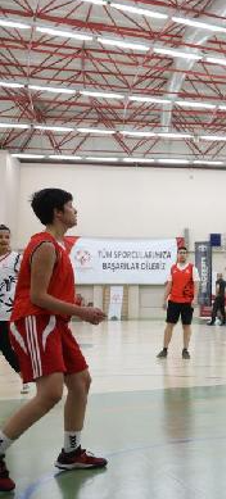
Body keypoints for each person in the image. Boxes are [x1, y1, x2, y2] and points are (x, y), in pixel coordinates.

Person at [0, 189, 108, 492]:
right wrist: (81, 311)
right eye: (71, 206)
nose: (76, 211)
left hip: (54, 323)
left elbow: (50, 291)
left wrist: (73, 300)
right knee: (50, 394)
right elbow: (37, 297)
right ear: (58, 213)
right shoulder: (44, 246)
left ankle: (71, 452)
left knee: (81, 382)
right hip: (34, 321)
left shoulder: (58, 246)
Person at [157, 246, 199, 360]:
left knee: (186, 326)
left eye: (184, 252)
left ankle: (185, 350)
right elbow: (169, 285)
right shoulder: (173, 268)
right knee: (169, 325)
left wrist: (195, 298)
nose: (182, 254)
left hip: (187, 302)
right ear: (177, 254)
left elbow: (196, 285)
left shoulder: (192, 269)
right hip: (174, 301)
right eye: (180, 252)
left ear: (187, 255)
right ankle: (164, 349)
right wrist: (164, 299)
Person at [0, 225, 28, 394]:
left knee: (5, 346)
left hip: (7, 310)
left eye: (7, 237)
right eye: (0, 236)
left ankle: (25, 376)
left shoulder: (17, 259)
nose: (3, 240)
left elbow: (28, 279)